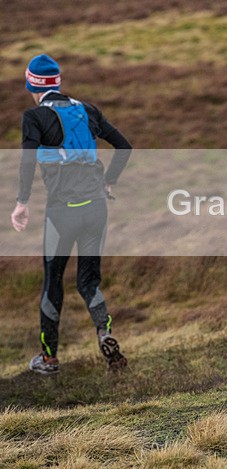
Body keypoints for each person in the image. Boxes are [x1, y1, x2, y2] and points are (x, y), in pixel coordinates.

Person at [11, 54, 133, 375]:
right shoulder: (88, 109)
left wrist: (22, 202)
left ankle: (49, 358)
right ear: (58, 82)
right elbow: (124, 146)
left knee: (53, 282)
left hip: (61, 213)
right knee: (89, 281)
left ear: (31, 86)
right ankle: (103, 331)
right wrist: (109, 181)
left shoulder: (34, 117)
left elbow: (27, 161)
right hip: (96, 209)